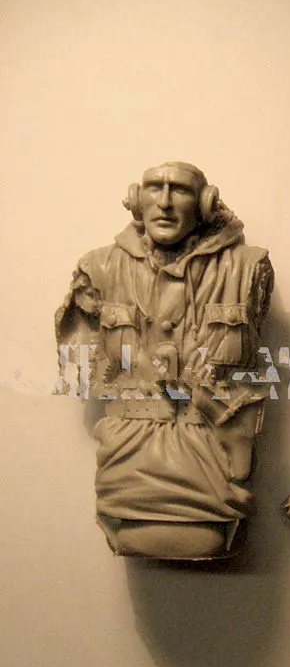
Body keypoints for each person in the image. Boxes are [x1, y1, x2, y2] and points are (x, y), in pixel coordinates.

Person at [56, 162, 274, 560]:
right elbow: (82, 373)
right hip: (127, 458)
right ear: (136, 199)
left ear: (205, 203)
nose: (166, 203)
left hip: (215, 455)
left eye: (181, 190)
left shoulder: (248, 267)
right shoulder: (98, 268)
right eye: (155, 188)